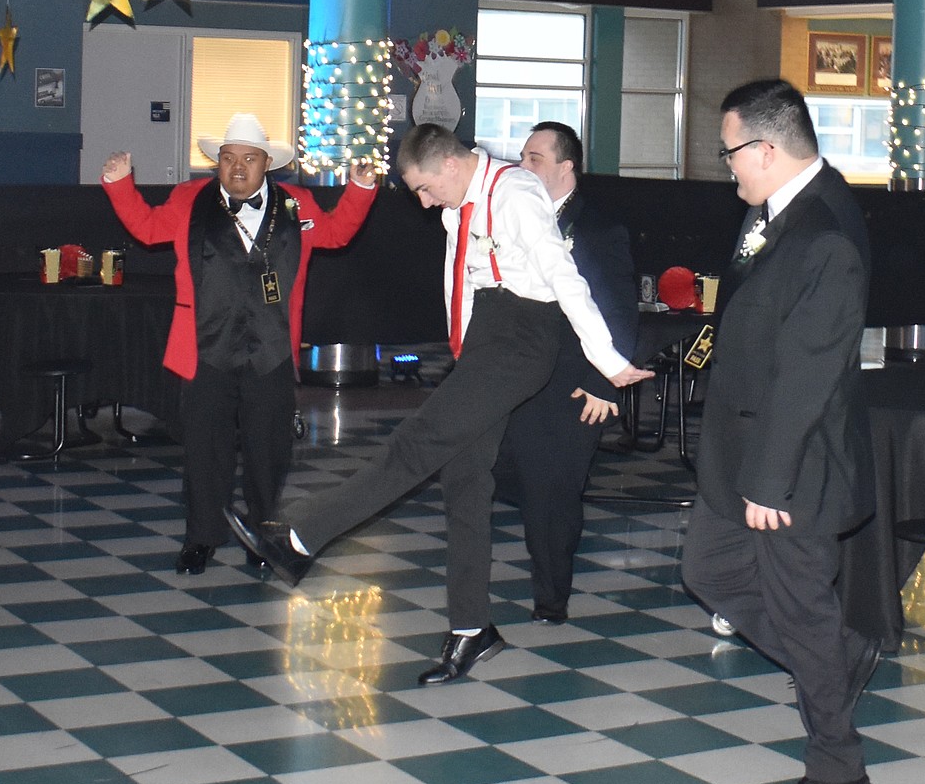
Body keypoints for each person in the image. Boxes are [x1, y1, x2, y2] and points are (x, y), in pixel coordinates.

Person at [230, 123, 653, 685]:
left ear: (450, 165)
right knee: (466, 483)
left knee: (414, 445)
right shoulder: (462, 203)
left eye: (426, 188)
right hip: (488, 340)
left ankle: (301, 539)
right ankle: (472, 630)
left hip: (524, 338)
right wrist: (462, 353)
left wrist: (609, 360)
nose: (425, 203)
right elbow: (464, 284)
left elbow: (565, 277)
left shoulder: (517, 192)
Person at [679, 79, 880, 784]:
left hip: (791, 464)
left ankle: (839, 763)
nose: (725, 164)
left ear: (765, 148)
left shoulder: (824, 231)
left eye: (729, 150)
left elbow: (809, 370)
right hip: (743, 448)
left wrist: (769, 481)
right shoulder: (773, 211)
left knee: (800, 611)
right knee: (707, 568)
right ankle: (839, 655)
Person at [100, 113, 377, 576]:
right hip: (205, 346)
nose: (237, 168)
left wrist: (360, 190)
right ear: (217, 164)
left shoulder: (294, 204)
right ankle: (200, 538)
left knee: (268, 450)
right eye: (228, 159)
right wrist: (119, 183)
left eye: (249, 159)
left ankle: (263, 536)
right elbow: (148, 229)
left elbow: (335, 233)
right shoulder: (191, 200)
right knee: (204, 448)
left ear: (268, 163)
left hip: (270, 349)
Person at [493, 121, 638, 625]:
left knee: (554, 492)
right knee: (513, 475)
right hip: (518, 373)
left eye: (535, 158)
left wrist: (604, 383)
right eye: (522, 156)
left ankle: (550, 599)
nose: (523, 166)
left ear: (565, 167)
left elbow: (619, 307)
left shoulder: (597, 228)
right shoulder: (513, 216)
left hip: (577, 383)